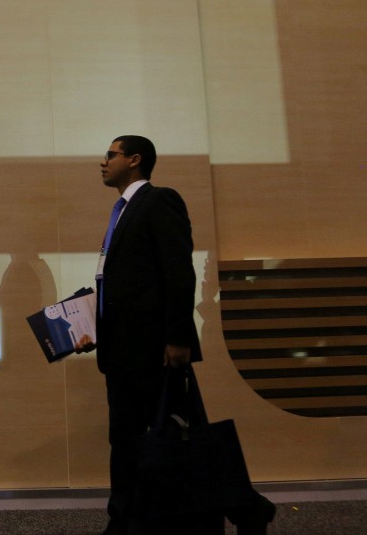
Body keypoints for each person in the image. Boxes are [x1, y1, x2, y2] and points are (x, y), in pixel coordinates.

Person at [78, 135, 274, 535]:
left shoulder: (158, 201)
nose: (103, 162)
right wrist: (89, 323)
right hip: (122, 349)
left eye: (110, 155)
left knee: (181, 439)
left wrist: (178, 338)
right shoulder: (121, 213)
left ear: (134, 160)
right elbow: (125, 285)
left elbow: (178, 274)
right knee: (131, 439)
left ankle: (244, 507)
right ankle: (128, 518)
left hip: (154, 349)